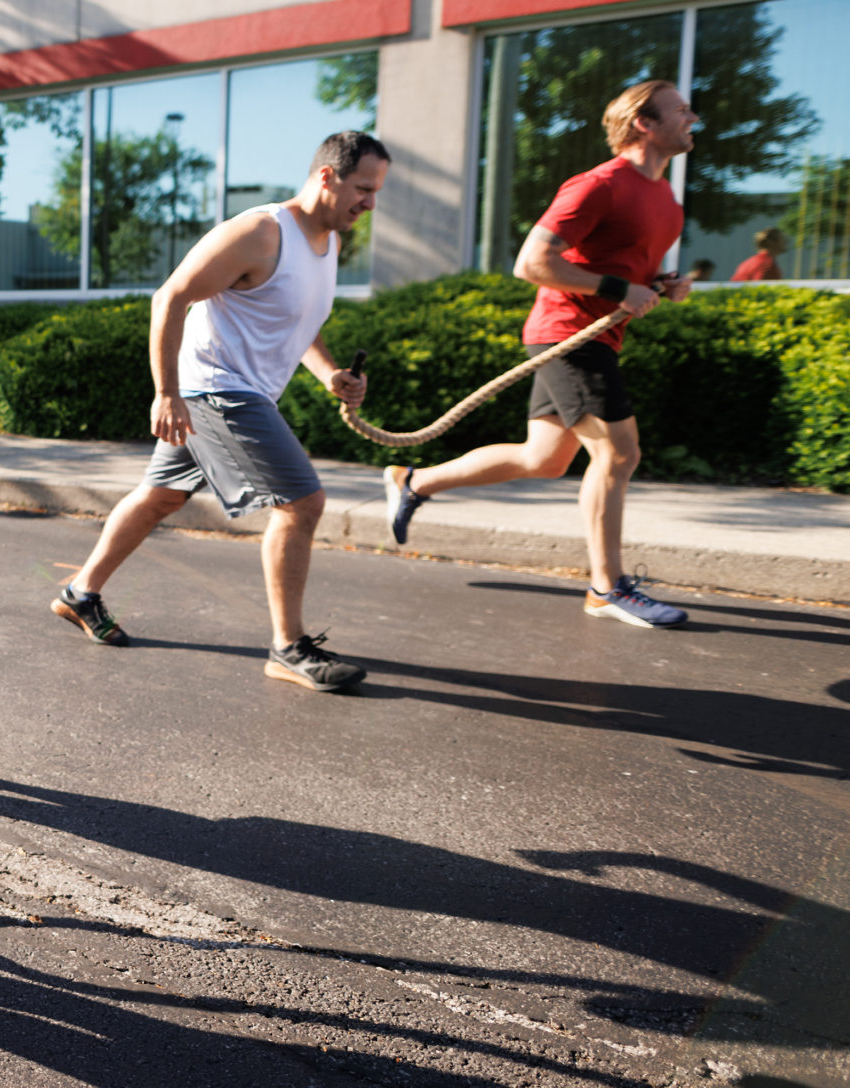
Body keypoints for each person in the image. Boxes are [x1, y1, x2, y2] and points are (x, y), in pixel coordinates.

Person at [53, 131, 387, 693]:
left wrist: (329, 372)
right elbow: (171, 296)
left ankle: (79, 593)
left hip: (232, 391)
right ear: (327, 176)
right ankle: (288, 647)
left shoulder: (326, 244)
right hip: (217, 390)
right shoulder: (261, 232)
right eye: (363, 188)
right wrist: (167, 392)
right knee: (302, 504)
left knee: (160, 496)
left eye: (376, 192)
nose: (370, 203)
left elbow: (298, 320)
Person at [384, 80, 696, 628]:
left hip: (597, 332)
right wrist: (622, 290)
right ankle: (607, 587)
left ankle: (412, 481)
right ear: (643, 124)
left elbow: (624, 266)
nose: (691, 115)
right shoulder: (599, 185)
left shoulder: (665, 199)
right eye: (679, 109)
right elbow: (531, 263)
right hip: (569, 333)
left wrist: (662, 283)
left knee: (544, 459)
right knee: (619, 454)